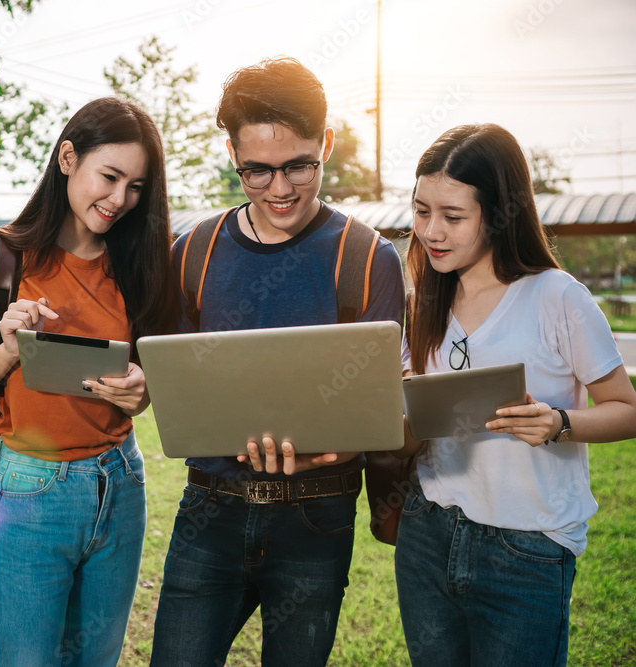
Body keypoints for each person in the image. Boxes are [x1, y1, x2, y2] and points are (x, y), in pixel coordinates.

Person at [150, 58, 406, 666]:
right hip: (208, 511)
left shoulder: (367, 258)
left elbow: (384, 408)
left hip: (316, 520)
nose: (280, 188)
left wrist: (344, 446)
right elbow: (177, 383)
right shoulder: (194, 253)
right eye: (256, 171)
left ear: (328, 144)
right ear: (232, 154)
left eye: (299, 165)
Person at [0, 97, 178, 666]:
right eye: (110, 177)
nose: (120, 200)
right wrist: (9, 351)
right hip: (31, 491)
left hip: (120, 483)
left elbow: (143, 385)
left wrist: (141, 393)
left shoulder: (141, 262)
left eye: (136, 187)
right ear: (68, 158)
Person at [394, 123, 636, 666]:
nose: (431, 231)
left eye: (453, 217)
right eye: (421, 210)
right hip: (429, 533)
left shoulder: (557, 297)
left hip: (526, 549)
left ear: (501, 213)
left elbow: (626, 410)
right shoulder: (425, 298)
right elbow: (414, 433)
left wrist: (557, 422)